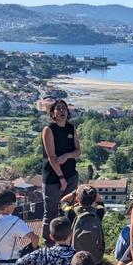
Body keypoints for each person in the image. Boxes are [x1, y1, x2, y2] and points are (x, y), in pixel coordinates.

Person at [41, 99, 81, 245]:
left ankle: (67, 242)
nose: (62, 111)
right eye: (58, 109)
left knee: (68, 210)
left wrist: (67, 156)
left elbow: (78, 151)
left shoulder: (71, 128)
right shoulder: (49, 130)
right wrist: (61, 178)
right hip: (53, 178)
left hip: (71, 175)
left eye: (64, 108)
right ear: (53, 113)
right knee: (51, 212)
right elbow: (52, 157)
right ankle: (48, 243)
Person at [62, 184, 106, 265]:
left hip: (76, 255)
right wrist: (93, 193)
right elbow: (100, 201)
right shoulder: (98, 212)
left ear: (77, 199)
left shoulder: (71, 212)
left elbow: (63, 201)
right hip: (96, 257)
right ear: (94, 199)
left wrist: (74, 193)